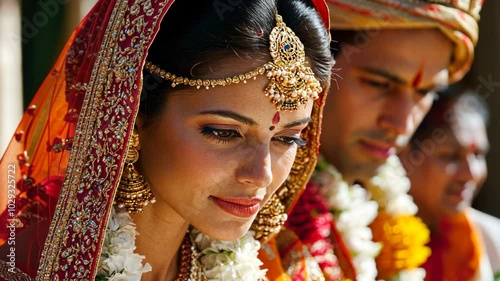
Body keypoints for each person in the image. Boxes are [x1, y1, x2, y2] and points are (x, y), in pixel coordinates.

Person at [0, 0, 334, 280]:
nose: (261, 175)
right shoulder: (28, 265)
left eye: (288, 139)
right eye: (224, 132)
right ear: (131, 115)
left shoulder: (279, 269)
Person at [278, 1, 484, 280]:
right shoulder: (240, 213)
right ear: (309, 68)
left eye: (425, 93)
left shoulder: (388, 220)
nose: (402, 124)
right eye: (378, 84)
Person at [399, 88, 500, 281]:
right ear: (405, 154)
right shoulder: (361, 243)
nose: (472, 174)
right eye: (451, 157)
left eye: (478, 155)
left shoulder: (495, 242)